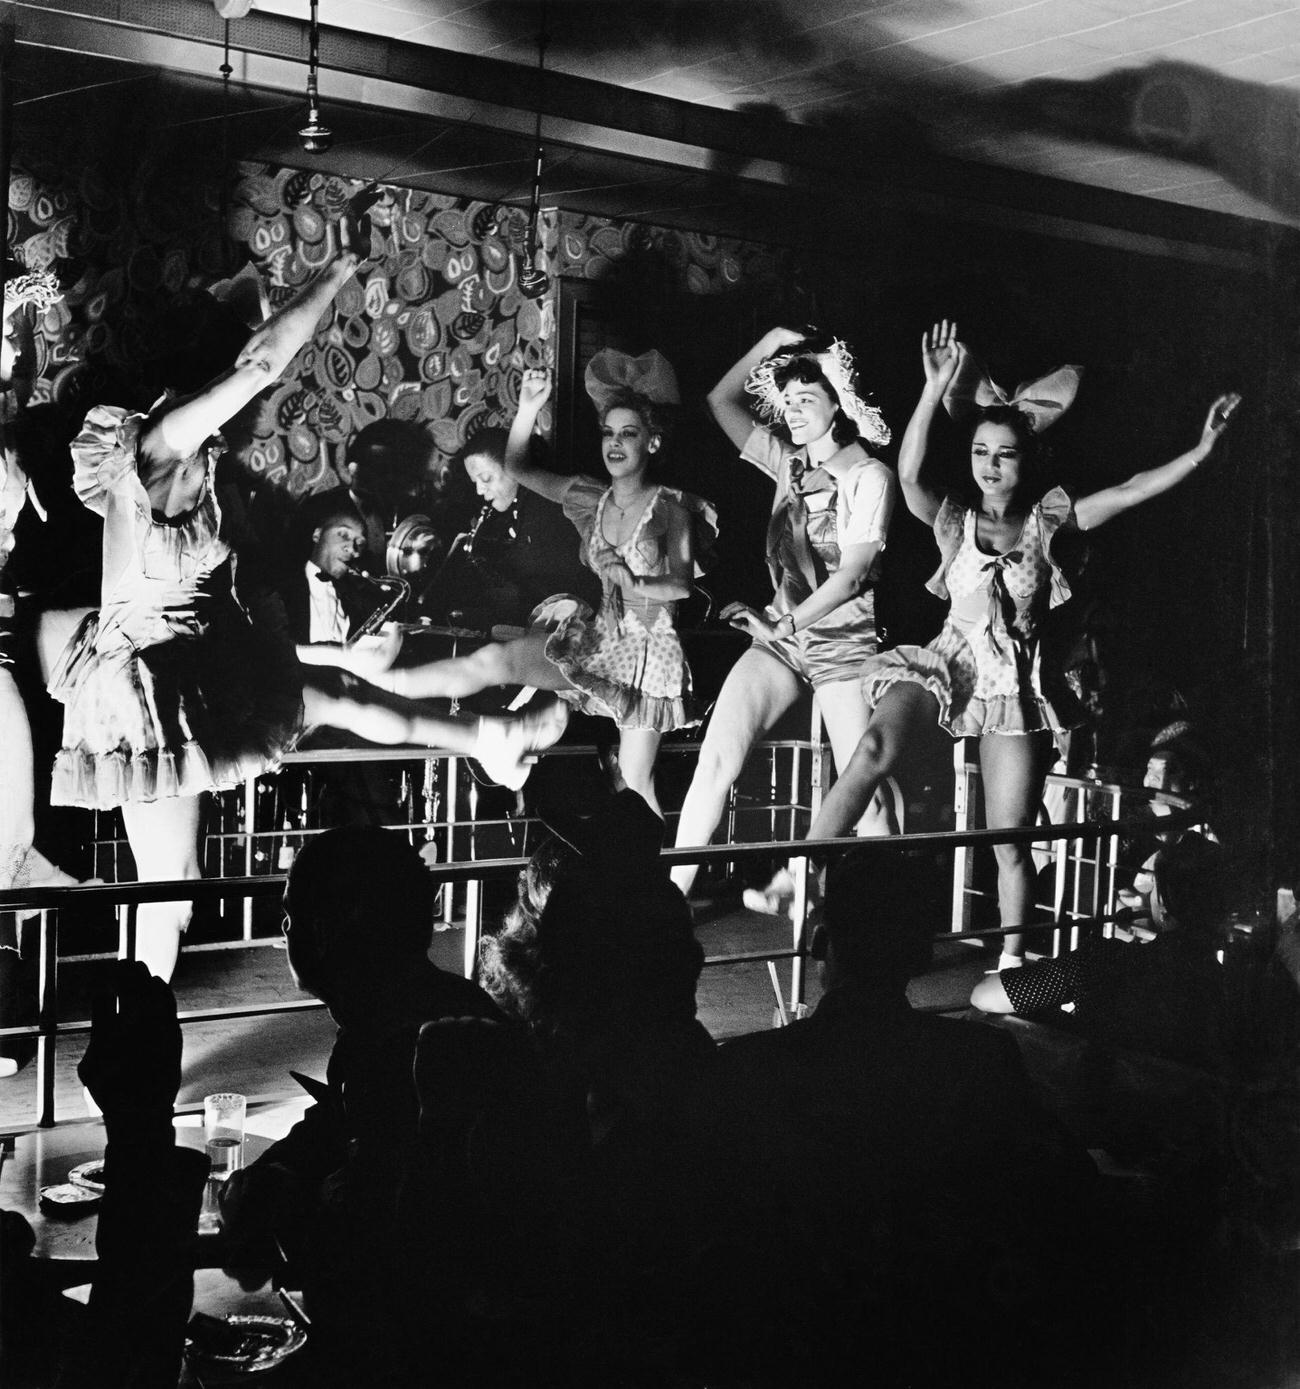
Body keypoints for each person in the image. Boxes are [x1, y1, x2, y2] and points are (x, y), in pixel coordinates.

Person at [791, 321, 1240, 968]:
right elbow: (910, 472)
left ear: (1026, 460)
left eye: (1004, 453)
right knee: (868, 751)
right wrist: (932, 389)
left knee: (1009, 840)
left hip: (1013, 687)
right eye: (980, 451)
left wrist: (1201, 449)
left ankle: (1009, 967)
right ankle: (815, 896)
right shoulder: (953, 518)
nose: (990, 465)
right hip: (947, 662)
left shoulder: (1047, 520)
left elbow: (1133, 488)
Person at [301, 352, 717, 816]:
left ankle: (658, 881)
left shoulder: (671, 506)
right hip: (597, 638)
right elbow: (518, 467)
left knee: (635, 780)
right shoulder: (587, 496)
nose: (614, 444)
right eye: (608, 433)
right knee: (493, 660)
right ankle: (377, 679)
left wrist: (634, 578)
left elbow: (680, 586)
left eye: (629, 434)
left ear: (653, 444)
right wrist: (526, 408)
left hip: (646, 652)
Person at [668, 327, 898, 906]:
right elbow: (721, 401)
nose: (793, 413)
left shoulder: (868, 476)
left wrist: (787, 626)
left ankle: (883, 913)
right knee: (717, 755)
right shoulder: (787, 463)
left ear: (839, 405)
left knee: (864, 797)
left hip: (842, 640)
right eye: (788, 402)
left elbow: (850, 577)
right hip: (782, 634)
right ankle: (668, 903)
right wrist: (769, 340)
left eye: (807, 401)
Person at [219, 827, 499, 1288]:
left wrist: (287, 1198)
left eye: (293, 915)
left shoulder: (405, 1042)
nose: (286, 929)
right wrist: (275, 1169)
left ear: (327, 929)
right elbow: (332, 1123)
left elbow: (381, 1222)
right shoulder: (405, 1007)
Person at [425, 426, 600, 630]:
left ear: (513, 469)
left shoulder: (547, 510)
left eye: (486, 479)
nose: (480, 490)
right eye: (475, 483)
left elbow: (562, 584)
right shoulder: (512, 513)